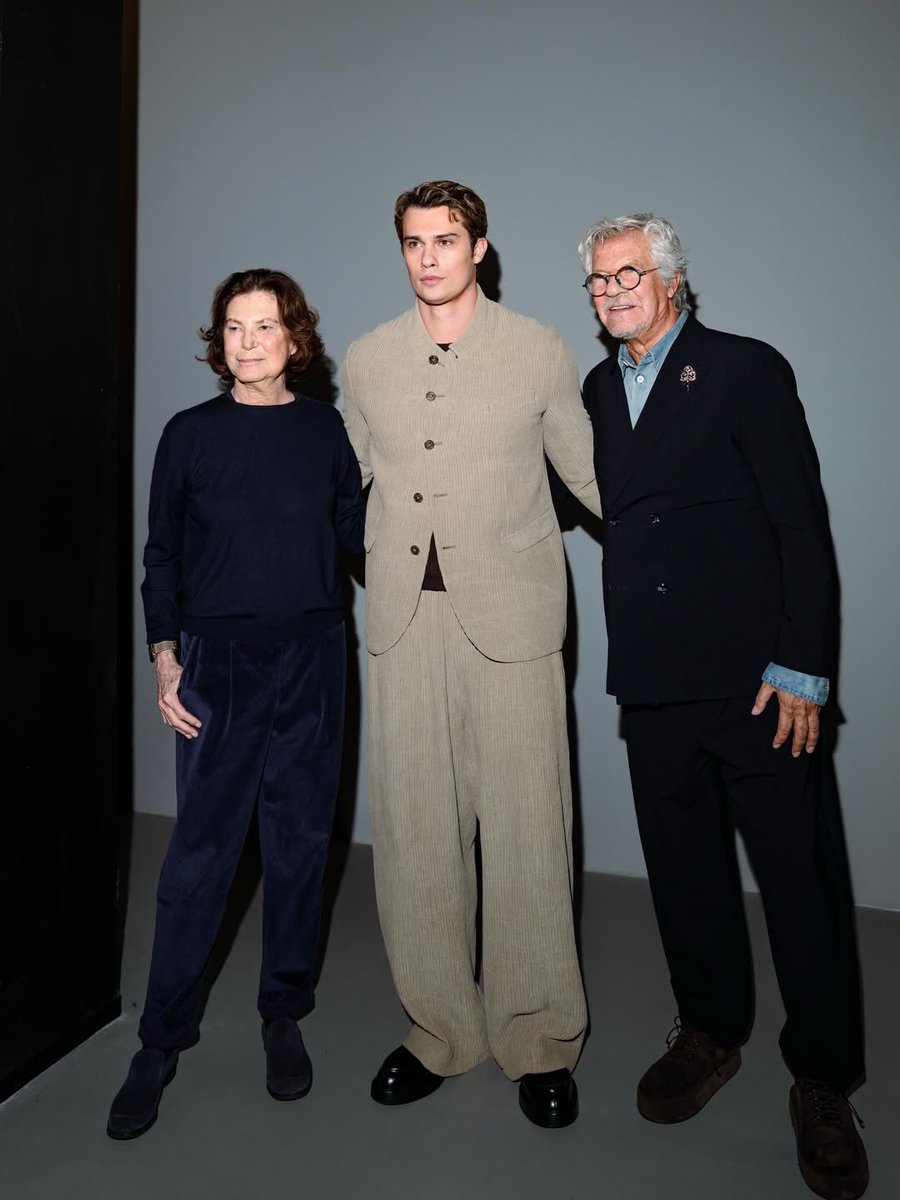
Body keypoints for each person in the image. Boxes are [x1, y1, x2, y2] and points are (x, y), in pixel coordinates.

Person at [579, 214, 867, 1198]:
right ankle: (711, 1031)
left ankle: (825, 1080)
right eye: (598, 282)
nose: (614, 292)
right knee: (685, 875)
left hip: (757, 681)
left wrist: (801, 666)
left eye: (630, 274)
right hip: (654, 681)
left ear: (672, 279)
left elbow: (799, 520)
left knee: (801, 882)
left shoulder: (745, 369)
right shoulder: (594, 391)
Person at [341, 180, 601, 1127]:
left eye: (446, 240)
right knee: (416, 832)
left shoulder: (537, 350)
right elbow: (338, 486)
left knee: (530, 829)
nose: (429, 258)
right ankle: (441, 1031)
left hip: (515, 624)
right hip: (406, 625)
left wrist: (702, 544)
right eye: (413, 242)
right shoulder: (368, 361)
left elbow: (590, 474)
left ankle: (537, 1038)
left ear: (480, 248)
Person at [107, 269, 364, 1139]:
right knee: (200, 859)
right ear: (217, 341)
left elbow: (355, 540)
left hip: (315, 658)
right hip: (218, 663)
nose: (249, 342)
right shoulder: (189, 435)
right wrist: (165, 655)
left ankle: (282, 1012)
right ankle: (160, 1036)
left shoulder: (327, 430)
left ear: (295, 338)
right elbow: (160, 556)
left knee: (297, 850)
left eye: (266, 327)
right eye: (234, 327)